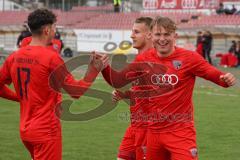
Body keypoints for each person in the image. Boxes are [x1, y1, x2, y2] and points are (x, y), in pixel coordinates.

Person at [102, 16, 236, 160]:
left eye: (167, 34)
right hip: (153, 134)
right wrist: (103, 67)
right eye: (158, 34)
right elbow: (120, 81)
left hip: (181, 133)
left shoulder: (189, 58)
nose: (162, 39)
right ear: (151, 36)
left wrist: (225, 79)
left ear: (175, 36)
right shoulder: (143, 59)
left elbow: (215, 75)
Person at [0, 9, 108, 160]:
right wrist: (94, 70)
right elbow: (76, 92)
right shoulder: (51, 58)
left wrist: (20, 97)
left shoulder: (14, 56)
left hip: (25, 131)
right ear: (47, 30)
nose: (55, 31)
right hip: (46, 131)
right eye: (55, 27)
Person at [112, 17, 154, 160]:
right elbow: (144, 91)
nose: (131, 35)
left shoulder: (154, 61)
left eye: (136, 32)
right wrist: (125, 94)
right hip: (134, 125)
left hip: (149, 128)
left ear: (149, 34)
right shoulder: (138, 60)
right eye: (132, 31)